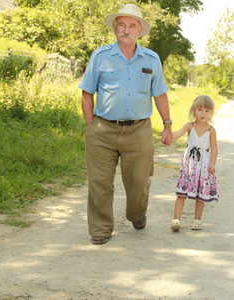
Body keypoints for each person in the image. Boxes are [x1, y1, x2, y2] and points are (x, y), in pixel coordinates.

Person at [78, 4, 173, 245]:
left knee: (139, 181)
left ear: (139, 30)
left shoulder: (151, 59)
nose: (126, 30)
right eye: (121, 24)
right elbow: (87, 92)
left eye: (132, 26)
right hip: (102, 130)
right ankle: (100, 228)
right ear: (114, 28)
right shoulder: (100, 56)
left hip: (139, 129)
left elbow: (160, 94)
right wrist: (91, 125)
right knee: (99, 181)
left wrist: (168, 125)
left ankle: (137, 214)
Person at [170, 95, 219, 231]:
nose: (203, 113)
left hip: (204, 165)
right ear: (193, 111)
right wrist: (168, 135)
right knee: (182, 193)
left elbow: (214, 148)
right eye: (200, 109)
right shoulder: (189, 126)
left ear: (211, 113)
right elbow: (178, 133)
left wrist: (212, 164)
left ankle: (197, 219)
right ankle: (176, 219)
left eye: (207, 110)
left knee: (200, 194)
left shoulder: (211, 130)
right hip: (189, 165)